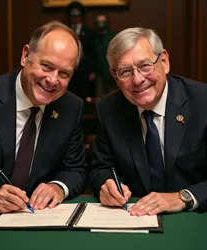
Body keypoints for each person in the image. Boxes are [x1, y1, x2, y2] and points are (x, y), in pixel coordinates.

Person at [0, 21, 87, 214]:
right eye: (46, 66)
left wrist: (58, 187)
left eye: (64, 73)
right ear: (25, 55)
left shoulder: (71, 107)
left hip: (39, 219)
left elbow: (76, 169)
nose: (52, 80)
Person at [89, 27, 207, 215]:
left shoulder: (202, 102)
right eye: (125, 71)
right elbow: (101, 167)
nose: (138, 80)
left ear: (164, 61)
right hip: (136, 218)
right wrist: (106, 184)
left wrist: (183, 197)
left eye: (145, 66)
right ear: (115, 77)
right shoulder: (109, 109)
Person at [65, 1, 96, 98]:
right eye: (72, 16)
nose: (75, 18)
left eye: (77, 16)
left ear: (81, 16)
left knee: (83, 95)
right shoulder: (65, 31)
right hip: (68, 68)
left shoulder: (88, 32)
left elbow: (92, 53)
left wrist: (92, 71)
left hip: (84, 69)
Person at [93, 13, 116, 97]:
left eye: (103, 22)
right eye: (99, 22)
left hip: (111, 74)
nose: (101, 24)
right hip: (98, 75)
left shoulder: (113, 37)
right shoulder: (93, 38)